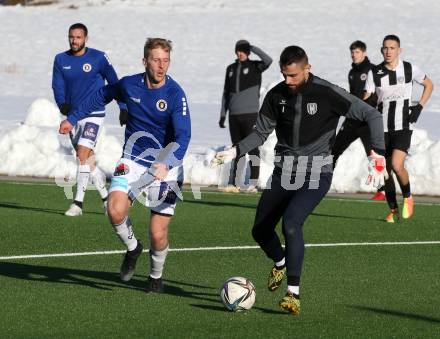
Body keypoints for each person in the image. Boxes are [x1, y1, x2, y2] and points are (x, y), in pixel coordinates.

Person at [213, 46, 386, 315]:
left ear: (308, 68)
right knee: (260, 230)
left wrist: (378, 153)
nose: (288, 81)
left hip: (318, 172)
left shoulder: (327, 92)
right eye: (284, 75)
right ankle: (280, 261)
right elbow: (260, 134)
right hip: (285, 172)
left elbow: (371, 114)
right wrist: (235, 151)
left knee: (291, 223)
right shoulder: (276, 95)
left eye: (293, 75)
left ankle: (293, 293)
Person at [59, 38, 191, 293]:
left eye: (165, 60)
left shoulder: (175, 94)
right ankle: (132, 248)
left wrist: (167, 163)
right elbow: (102, 95)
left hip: (167, 166)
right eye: (156, 60)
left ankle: (155, 277)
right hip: (132, 160)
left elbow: (184, 137)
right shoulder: (130, 84)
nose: (161, 66)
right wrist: (73, 118)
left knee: (157, 233)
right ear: (145, 61)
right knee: (115, 209)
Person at [52, 23, 128, 216]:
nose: (74, 40)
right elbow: (57, 85)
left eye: (78, 37)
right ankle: (105, 198)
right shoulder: (61, 60)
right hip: (72, 117)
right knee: (86, 159)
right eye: (71, 37)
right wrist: (62, 104)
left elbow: (114, 82)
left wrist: (123, 106)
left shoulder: (98, 57)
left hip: (94, 115)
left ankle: (78, 204)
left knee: (83, 154)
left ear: (86, 38)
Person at [364, 35, 433, 222]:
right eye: (385, 48)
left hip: (403, 125)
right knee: (385, 172)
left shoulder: (410, 69)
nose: (388, 51)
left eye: (392, 48)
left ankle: (408, 197)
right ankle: (393, 209)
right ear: (381, 50)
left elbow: (429, 85)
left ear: (399, 50)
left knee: (396, 164)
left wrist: (419, 107)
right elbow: (367, 97)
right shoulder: (374, 73)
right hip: (381, 128)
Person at [332, 40, 385, 200]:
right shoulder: (352, 72)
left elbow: (378, 94)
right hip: (352, 119)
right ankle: (322, 181)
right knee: (334, 149)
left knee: (374, 154)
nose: (354, 55)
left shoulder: (373, 70)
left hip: (366, 120)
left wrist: (370, 111)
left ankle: (381, 190)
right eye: (352, 52)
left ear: (364, 53)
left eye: (357, 52)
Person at [219, 40, 272, 193]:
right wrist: (223, 115)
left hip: (250, 115)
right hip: (234, 116)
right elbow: (225, 94)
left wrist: (252, 48)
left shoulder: (256, 67)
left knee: (253, 148)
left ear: (247, 52)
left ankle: (253, 183)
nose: (240, 53)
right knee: (236, 149)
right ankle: (234, 184)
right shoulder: (231, 68)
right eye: (238, 51)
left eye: (243, 51)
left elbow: (268, 60)